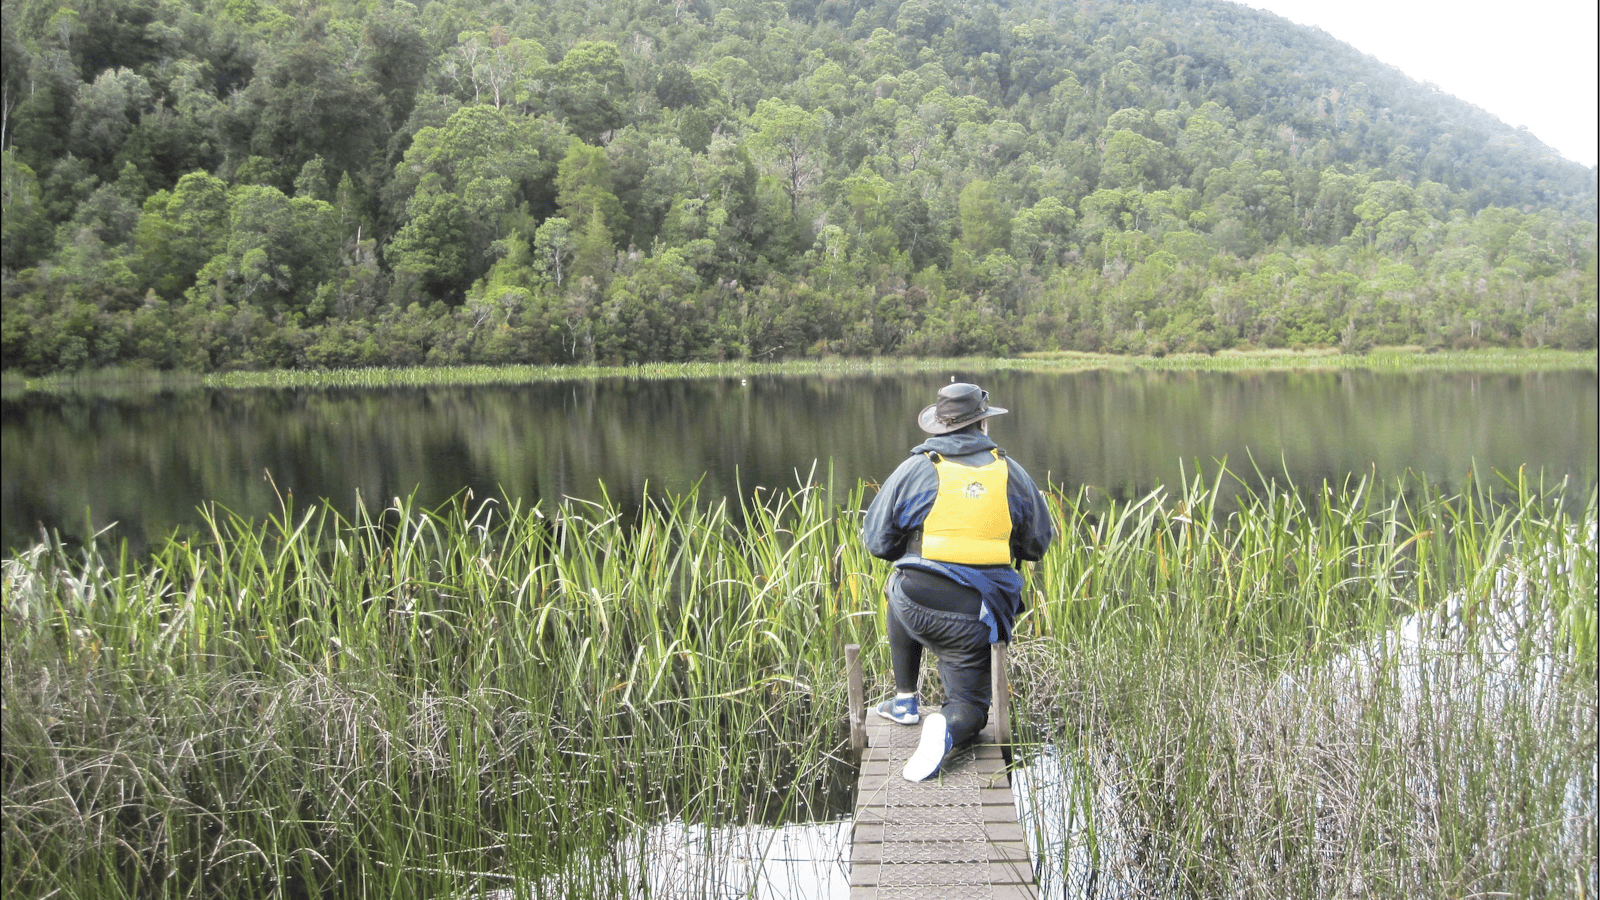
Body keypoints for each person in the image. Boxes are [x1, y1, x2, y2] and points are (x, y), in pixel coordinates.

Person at [860, 382, 1055, 781]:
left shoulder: (917, 466)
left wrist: (920, 549)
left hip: (916, 601)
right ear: (983, 424)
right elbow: (1036, 545)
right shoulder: (1010, 471)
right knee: (970, 708)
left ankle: (905, 701)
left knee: (898, 581)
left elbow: (877, 542)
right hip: (976, 614)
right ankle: (947, 726)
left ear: (941, 427)